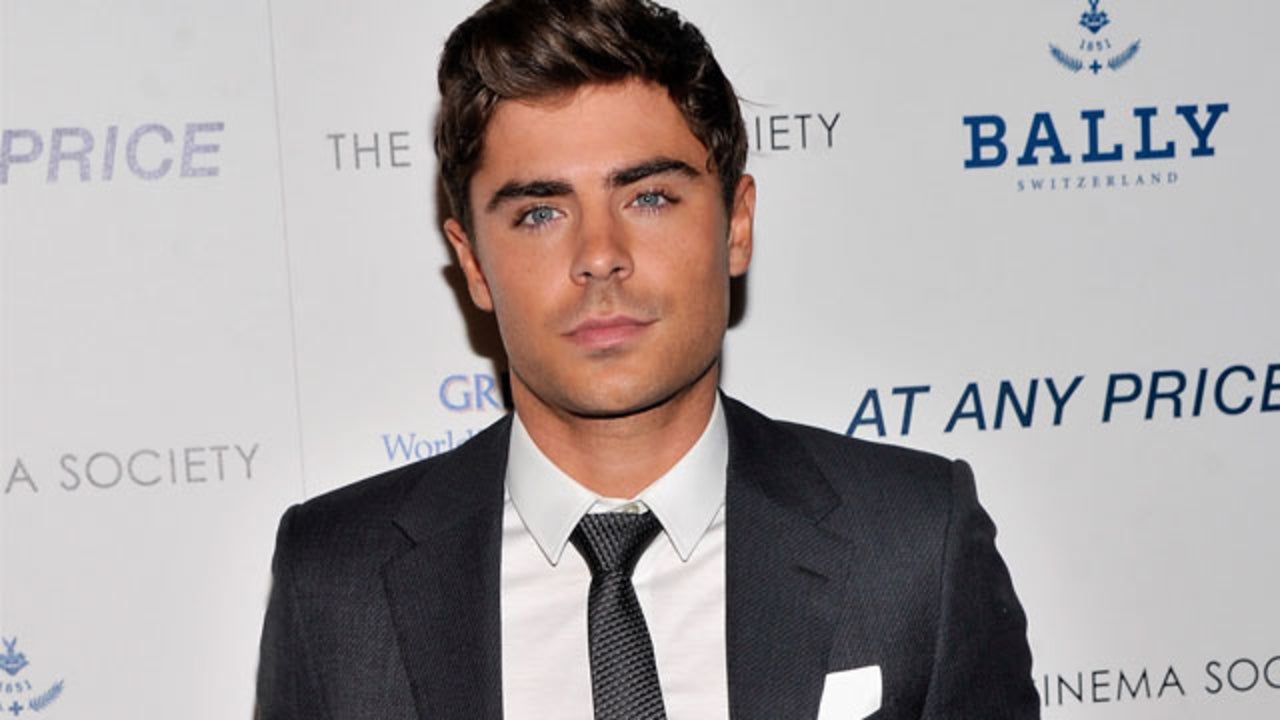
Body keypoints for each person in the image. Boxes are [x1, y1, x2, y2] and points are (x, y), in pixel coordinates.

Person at [256, 0, 1040, 718]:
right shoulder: (336, 578)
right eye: (539, 212)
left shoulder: (912, 543)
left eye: (649, 197)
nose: (600, 254)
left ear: (736, 226)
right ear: (472, 263)